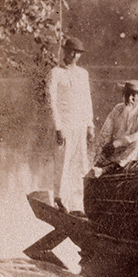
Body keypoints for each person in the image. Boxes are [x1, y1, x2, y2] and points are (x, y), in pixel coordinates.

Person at [46, 36, 94, 212]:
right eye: (71, 51)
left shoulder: (83, 74)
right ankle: (60, 199)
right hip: (65, 125)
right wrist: (57, 127)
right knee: (63, 161)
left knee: (80, 163)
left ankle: (77, 204)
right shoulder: (55, 73)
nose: (74, 56)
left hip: (80, 124)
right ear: (64, 51)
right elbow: (51, 102)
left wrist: (90, 125)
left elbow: (87, 100)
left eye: (78, 53)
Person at [91, 80, 138, 176]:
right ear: (123, 95)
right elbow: (106, 131)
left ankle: (106, 169)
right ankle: (97, 167)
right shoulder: (118, 109)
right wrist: (103, 146)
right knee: (101, 155)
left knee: (137, 145)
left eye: (134, 96)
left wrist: (116, 144)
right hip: (118, 147)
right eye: (127, 95)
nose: (130, 99)